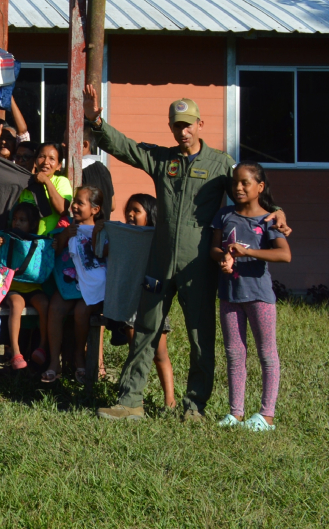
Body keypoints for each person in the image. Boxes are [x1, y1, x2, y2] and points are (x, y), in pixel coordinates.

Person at [86, 85, 290, 422]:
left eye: (188, 124)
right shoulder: (162, 159)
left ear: (200, 125)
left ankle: (194, 407)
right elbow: (124, 148)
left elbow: (247, 193)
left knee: (200, 337)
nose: (183, 131)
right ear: (171, 128)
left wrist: (277, 209)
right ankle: (130, 402)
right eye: (177, 125)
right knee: (145, 330)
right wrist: (97, 122)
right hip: (160, 261)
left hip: (198, 265)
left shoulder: (220, 164)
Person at [210, 163, 290, 431]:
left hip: (259, 296)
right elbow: (214, 248)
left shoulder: (268, 220)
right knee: (234, 353)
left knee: (267, 353)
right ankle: (236, 413)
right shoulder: (223, 215)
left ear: (260, 187)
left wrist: (248, 253)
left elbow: (284, 254)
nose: (239, 187)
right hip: (230, 294)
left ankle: (267, 416)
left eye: (245, 183)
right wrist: (224, 258)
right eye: (235, 183)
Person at [42, 186, 108, 384]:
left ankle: (80, 355)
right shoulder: (67, 229)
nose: (75, 207)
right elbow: (51, 255)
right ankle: (55, 362)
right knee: (55, 308)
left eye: (80, 203)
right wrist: (63, 237)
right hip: (70, 285)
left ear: (95, 210)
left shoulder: (103, 229)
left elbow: (105, 256)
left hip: (94, 288)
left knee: (81, 312)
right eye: (74, 202)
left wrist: (98, 234)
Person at [118, 193, 177, 409]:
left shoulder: (158, 241)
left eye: (136, 210)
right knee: (135, 351)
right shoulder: (125, 236)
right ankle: (135, 398)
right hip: (130, 306)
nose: (130, 214)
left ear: (150, 215)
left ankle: (170, 401)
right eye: (128, 210)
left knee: (160, 353)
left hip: (152, 303)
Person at [1, 202, 52, 371]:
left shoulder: (39, 242)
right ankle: (16, 351)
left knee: (44, 304)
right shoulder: (7, 238)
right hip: (13, 287)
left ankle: (42, 347)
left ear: (32, 224)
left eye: (22, 220)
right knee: (16, 305)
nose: (17, 223)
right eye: (15, 219)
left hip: (33, 288)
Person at [80, 130, 114, 221]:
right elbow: (113, 205)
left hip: (85, 231)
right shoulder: (104, 169)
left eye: (66, 140)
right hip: (103, 229)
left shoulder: (78, 169)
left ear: (85, 145)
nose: (63, 144)